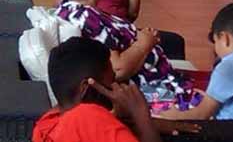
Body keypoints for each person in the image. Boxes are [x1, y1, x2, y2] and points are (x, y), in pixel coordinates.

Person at [52, 0, 196, 109]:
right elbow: (117, 69)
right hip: (150, 92)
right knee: (210, 104)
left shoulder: (70, 10)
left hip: (154, 81)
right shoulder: (86, 19)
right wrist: (144, 43)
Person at [33, 36, 162, 142]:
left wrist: (114, 117)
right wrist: (141, 115)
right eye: (112, 81)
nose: (116, 88)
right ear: (88, 89)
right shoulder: (88, 117)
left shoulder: (45, 125)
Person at [158, 3, 233, 121]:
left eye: (215, 41)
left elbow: (202, 115)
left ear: (224, 38)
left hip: (231, 129)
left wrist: (174, 116)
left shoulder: (228, 67)